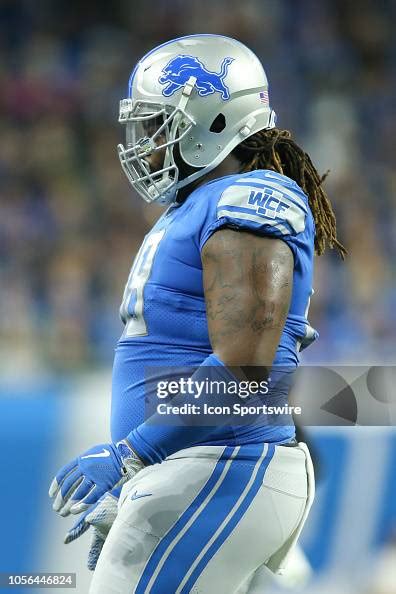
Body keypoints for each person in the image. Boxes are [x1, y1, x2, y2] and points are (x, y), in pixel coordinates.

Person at [49, 34, 345, 593]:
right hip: (201, 465)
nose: (146, 146)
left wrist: (132, 454)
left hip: (223, 464)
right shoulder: (201, 205)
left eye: (160, 126)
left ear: (213, 121)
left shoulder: (251, 198)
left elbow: (245, 372)